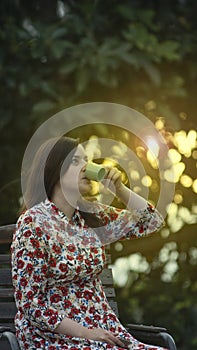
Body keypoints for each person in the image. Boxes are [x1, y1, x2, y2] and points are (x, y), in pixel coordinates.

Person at [11, 136, 168, 350]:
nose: (86, 167)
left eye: (87, 160)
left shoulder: (92, 215)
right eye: (76, 161)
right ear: (55, 171)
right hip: (54, 336)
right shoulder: (33, 223)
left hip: (103, 330)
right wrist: (87, 333)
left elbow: (152, 222)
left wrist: (118, 189)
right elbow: (31, 304)